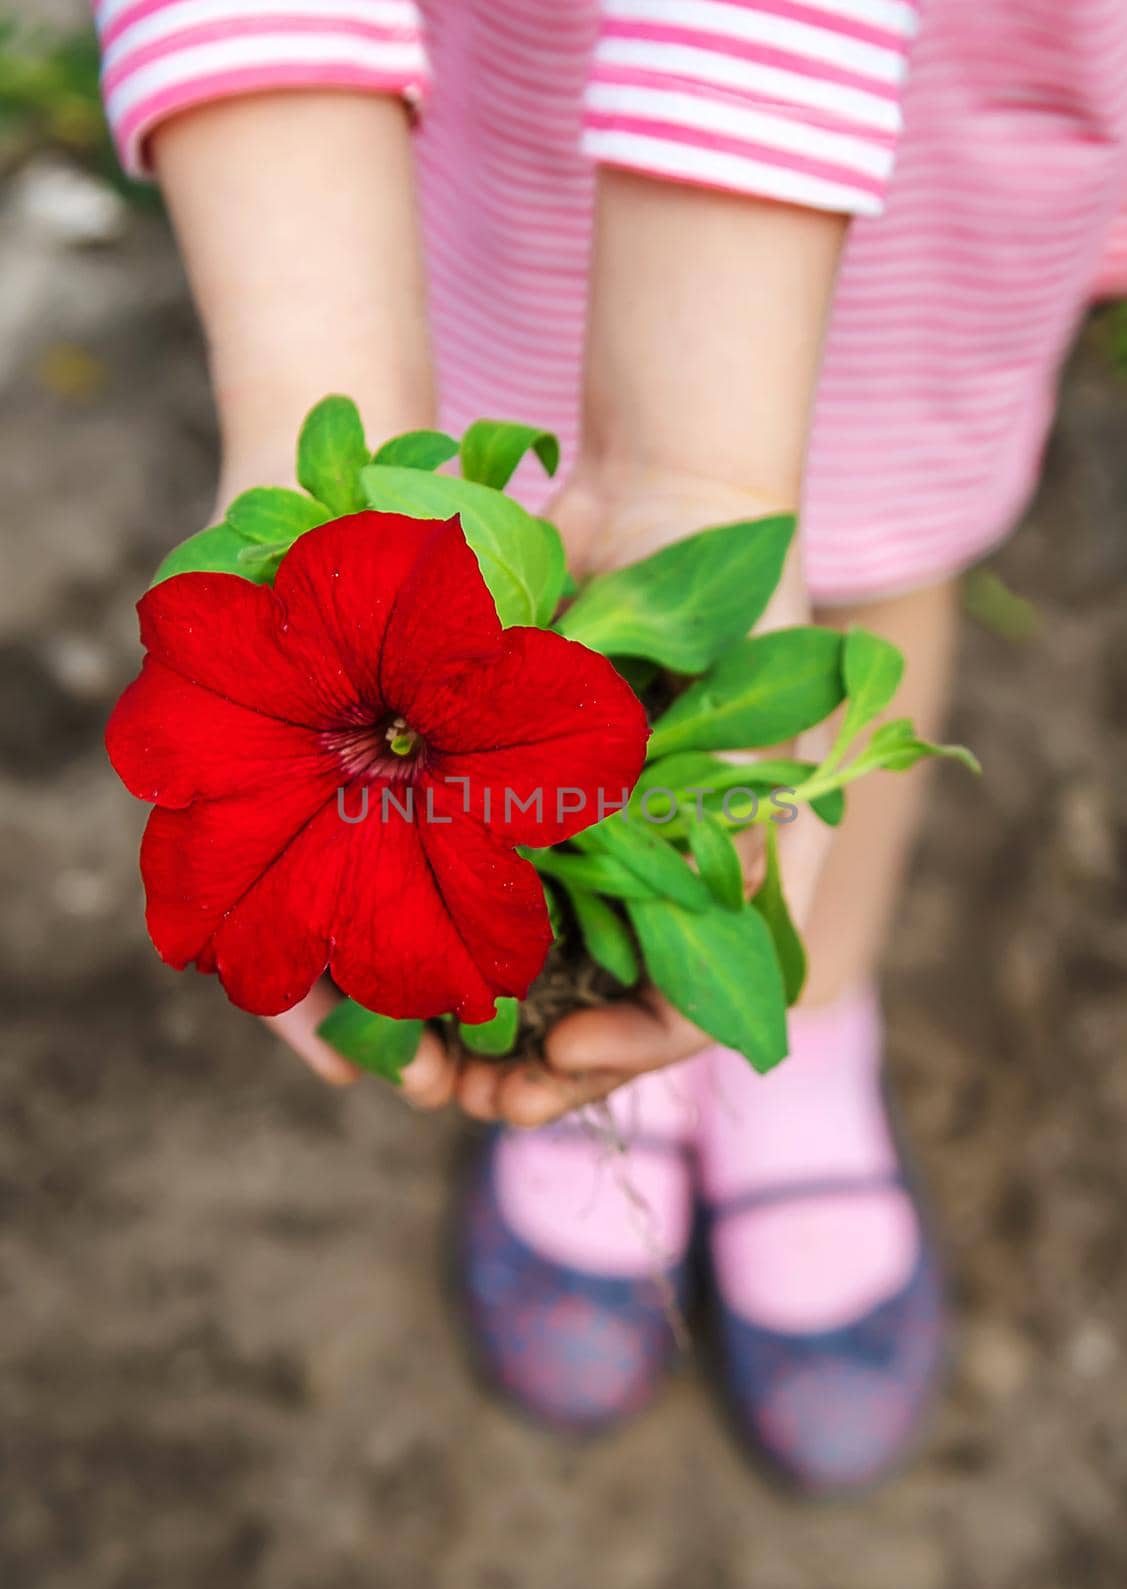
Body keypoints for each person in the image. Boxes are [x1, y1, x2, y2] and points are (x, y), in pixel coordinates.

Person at [93, 0, 1127, 1492]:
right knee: (490, 448)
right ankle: (627, 1058)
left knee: (871, 536)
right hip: (472, 103)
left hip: (910, 108)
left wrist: (702, 459)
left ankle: (809, 1024)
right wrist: (309, 401)